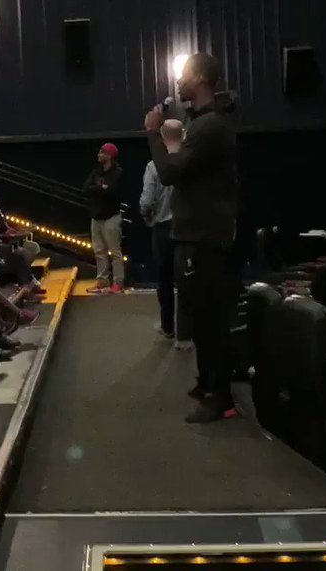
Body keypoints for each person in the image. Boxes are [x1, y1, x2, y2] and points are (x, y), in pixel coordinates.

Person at [144, 53, 239, 423]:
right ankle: (207, 382)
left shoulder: (211, 125)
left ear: (199, 78)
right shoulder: (202, 123)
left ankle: (221, 397)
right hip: (196, 234)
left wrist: (153, 132)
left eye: (183, 75)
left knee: (209, 319)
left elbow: (170, 172)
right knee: (199, 315)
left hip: (203, 237)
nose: (178, 82)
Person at [141, 119, 192, 350]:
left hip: (162, 230)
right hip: (186, 229)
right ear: (183, 135)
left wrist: (148, 218)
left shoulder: (154, 167)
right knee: (186, 281)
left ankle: (167, 328)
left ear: (160, 137)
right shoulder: (189, 163)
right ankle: (185, 334)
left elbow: (147, 201)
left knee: (164, 281)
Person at [83, 143, 125, 293]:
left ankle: (118, 282)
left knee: (115, 251)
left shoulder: (117, 173)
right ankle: (102, 282)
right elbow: (86, 188)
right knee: (99, 251)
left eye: (102, 152)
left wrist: (100, 190)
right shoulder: (97, 172)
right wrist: (101, 188)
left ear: (110, 155)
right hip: (96, 216)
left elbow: (113, 192)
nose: (99, 154)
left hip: (111, 216)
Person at [0, 187, 42, 263]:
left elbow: (6, 230)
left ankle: (26, 270)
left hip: (6, 241)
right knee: (24, 253)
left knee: (34, 247)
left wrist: (19, 230)